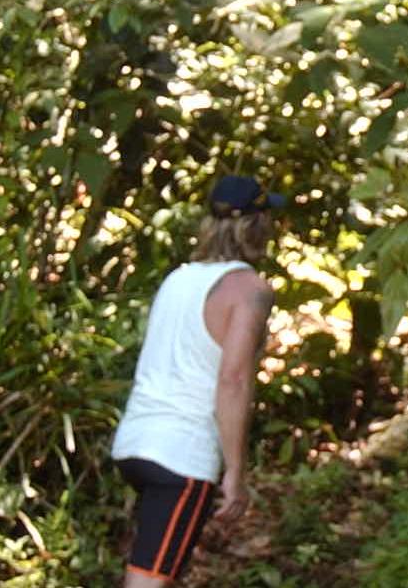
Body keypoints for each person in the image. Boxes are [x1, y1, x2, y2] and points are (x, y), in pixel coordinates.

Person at [110, 175, 284, 586]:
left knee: (160, 572)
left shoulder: (178, 279)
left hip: (135, 443)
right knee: (149, 582)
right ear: (258, 226)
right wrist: (235, 474)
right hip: (181, 456)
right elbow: (234, 379)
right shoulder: (250, 290)